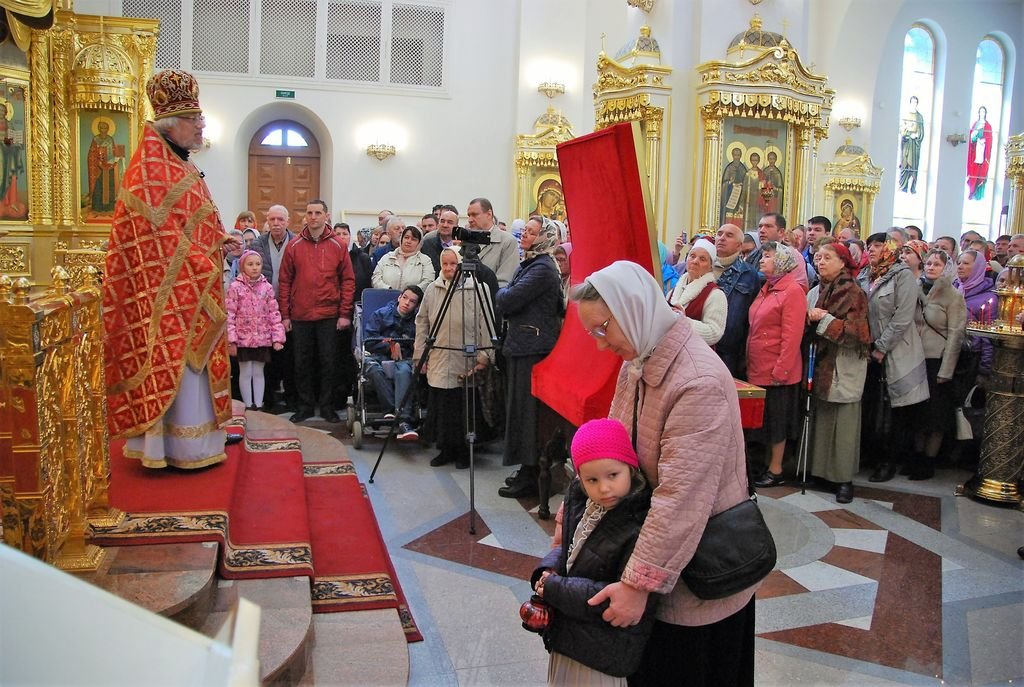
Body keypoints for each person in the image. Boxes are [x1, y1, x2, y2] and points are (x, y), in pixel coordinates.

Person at [570, 262, 756, 686]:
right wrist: (574, 520)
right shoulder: (640, 356)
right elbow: (611, 445)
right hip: (658, 553)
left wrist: (638, 585)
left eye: (603, 330)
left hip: (697, 573)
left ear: (632, 310)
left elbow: (682, 498)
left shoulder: (697, 380)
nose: (601, 346)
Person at [103, 69, 236, 469]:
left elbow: (195, 223)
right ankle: (173, 449)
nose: (201, 126)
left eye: (200, 118)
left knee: (195, 371)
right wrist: (206, 255)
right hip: (166, 295)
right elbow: (156, 246)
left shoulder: (181, 163)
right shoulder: (150, 171)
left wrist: (218, 242)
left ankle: (199, 445)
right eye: (195, 119)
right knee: (176, 366)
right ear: (172, 123)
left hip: (195, 288)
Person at [529, 418, 655, 684]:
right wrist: (548, 568)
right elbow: (570, 548)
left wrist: (554, 588)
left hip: (602, 649)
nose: (604, 488)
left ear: (630, 469)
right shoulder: (583, 503)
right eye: (592, 480)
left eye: (613, 475)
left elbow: (613, 599)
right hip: (571, 636)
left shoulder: (637, 522)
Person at [496, 217, 563, 498]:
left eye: (532, 233)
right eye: (525, 231)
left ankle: (531, 472)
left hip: (532, 349)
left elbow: (505, 300)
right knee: (519, 410)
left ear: (545, 237)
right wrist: (506, 293)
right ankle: (526, 469)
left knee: (527, 413)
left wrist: (503, 293)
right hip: (523, 345)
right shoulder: (532, 265)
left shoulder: (543, 269)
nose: (525, 235)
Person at [278, 199, 355, 423]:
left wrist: (344, 313)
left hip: (329, 315)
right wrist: (285, 315)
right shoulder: (293, 246)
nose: (313, 217)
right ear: (305, 216)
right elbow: (284, 281)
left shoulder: (338, 246)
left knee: (329, 363)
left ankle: (327, 406)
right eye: (309, 213)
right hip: (300, 315)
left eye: (318, 213)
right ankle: (305, 406)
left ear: (326, 216)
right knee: (301, 363)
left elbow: (348, 281)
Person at [415, 247, 493, 469]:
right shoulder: (433, 289)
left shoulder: (478, 289)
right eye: (445, 264)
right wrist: (420, 355)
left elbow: (486, 323)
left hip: (465, 358)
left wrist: (484, 356)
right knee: (442, 406)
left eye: (453, 264)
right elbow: (422, 323)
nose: (448, 269)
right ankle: (445, 449)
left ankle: (463, 452)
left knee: (463, 407)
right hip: (439, 357)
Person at [805, 240, 871, 503]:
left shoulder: (854, 292)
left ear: (843, 262)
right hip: (822, 361)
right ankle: (820, 471)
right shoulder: (818, 289)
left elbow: (859, 334)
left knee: (844, 423)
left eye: (827, 258)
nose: (820, 262)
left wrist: (824, 320)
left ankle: (843, 479)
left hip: (844, 363)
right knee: (822, 418)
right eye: (818, 257)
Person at [862, 234, 929, 482]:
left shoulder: (903, 277)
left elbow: (902, 318)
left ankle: (888, 460)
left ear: (890, 248)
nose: (872, 250)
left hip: (897, 350)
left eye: (878, 245)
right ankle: (871, 454)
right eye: (869, 246)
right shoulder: (867, 274)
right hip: (869, 351)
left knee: (894, 409)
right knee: (873, 406)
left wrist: (881, 346)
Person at [748, 243, 807, 488]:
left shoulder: (792, 291)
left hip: (777, 370)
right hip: (758, 366)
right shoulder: (766, 288)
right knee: (764, 420)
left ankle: (776, 468)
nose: (762, 260)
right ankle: (764, 464)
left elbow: (792, 335)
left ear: (782, 261)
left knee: (777, 420)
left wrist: (781, 370)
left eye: (768, 256)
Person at [914, 249, 967, 480]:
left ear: (946, 267)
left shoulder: (953, 296)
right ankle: (914, 456)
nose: (931, 267)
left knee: (935, 416)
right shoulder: (916, 289)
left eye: (937, 264)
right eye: (928, 263)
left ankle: (928, 460)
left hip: (937, 362)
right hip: (915, 359)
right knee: (916, 412)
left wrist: (947, 369)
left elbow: (956, 334)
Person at [226, 250, 286, 411]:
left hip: (261, 338)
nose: (254, 268)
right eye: (250, 264)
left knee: (259, 371)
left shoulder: (266, 287)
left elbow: (274, 313)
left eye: (257, 264)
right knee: (245, 372)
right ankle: (247, 404)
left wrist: (277, 338)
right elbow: (229, 314)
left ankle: (259, 404)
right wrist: (231, 339)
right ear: (242, 266)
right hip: (243, 339)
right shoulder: (235, 287)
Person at [252, 204, 296, 411]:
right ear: (267, 221)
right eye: (272, 220)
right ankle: (268, 400)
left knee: (289, 357)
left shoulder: (297, 243)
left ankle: (291, 398)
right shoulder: (257, 244)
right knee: (266, 357)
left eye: (280, 219)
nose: (276, 223)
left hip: (291, 308)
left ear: (288, 221)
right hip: (262, 312)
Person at [364, 286, 423, 440]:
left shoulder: (419, 322)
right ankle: (391, 410)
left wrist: (402, 346)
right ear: (399, 298)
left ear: (416, 306)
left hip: (404, 359)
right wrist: (390, 345)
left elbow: (419, 343)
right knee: (372, 367)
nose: (406, 303)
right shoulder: (381, 314)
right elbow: (369, 342)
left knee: (404, 370)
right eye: (404, 298)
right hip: (379, 356)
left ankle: (402, 420)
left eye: (412, 301)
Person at [712, 224, 759, 378]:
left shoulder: (749, 275)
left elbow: (751, 319)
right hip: (698, 346)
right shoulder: (702, 266)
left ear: (739, 245)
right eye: (719, 234)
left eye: (729, 235)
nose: (722, 238)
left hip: (729, 353)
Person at [667, 238, 727, 346]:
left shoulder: (715, 294)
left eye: (702, 259)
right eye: (692, 256)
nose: (695, 261)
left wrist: (683, 322)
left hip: (696, 356)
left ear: (710, 267)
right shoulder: (674, 290)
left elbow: (715, 332)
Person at [953, 250, 996, 378]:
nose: (960, 266)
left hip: (970, 355)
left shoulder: (988, 297)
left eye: (966, 263)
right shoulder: (952, 288)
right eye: (959, 263)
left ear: (978, 267)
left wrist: (984, 368)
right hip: (947, 350)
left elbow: (989, 337)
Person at [467, 197, 521, 287]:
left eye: (474, 215)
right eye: (469, 215)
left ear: (488, 214)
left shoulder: (507, 241)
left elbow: (504, 282)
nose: (470, 220)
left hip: (491, 298)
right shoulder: (468, 240)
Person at [371, 225, 434, 292]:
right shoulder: (387, 257)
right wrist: (388, 290)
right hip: (386, 298)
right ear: (401, 239)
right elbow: (375, 278)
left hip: (414, 300)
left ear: (419, 243)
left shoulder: (425, 261)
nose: (409, 241)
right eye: (406, 237)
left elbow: (428, 281)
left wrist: (411, 293)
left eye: (413, 239)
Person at [87, 118, 123, 213]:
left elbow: (115, 151)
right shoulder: (96, 139)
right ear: (99, 129)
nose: (104, 130)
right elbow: (91, 154)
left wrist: (118, 156)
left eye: (106, 128)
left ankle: (109, 207)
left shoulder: (110, 139)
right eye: (102, 128)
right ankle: (98, 207)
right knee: (99, 187)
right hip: (99, 169)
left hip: (109, 167)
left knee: (109, 186)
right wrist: (98, 162)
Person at [899, 95, 925, 194]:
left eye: (915, 102)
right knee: (905, 165)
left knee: (914, 167)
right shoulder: (905, 115)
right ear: (910, 102)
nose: (914, 103)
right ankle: (903, 187)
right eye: (912, 102)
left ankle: (912, 188)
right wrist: (907, 133)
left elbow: (921, 132)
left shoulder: (919, 117)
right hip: (907, 145)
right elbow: (902, 129)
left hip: (915, 146)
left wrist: (917, 136)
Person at [967, 106, 994, 200]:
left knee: (981, 172)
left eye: (983, 112)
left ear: (985, 113)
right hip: (975, 152)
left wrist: (984, 141)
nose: (982, 113)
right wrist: (975, 137)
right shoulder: (975, 124)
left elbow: (989, 140)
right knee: (973, 171)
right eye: (980, 112)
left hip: (983, 152)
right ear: (978, 113)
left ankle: (978, 194)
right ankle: (971, 191)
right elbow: (971, 138)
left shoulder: (988, 126)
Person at [422, 208, 459, 276]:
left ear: (456, 227)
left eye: (450, 222)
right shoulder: (427, 242)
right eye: (442, 221)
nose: (445, 225)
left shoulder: (462, 245)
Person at [719, 146, 747, 227]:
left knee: (738, 214)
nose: (737, 157)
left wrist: (741, 184)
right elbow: (724, 183)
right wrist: (730, 182)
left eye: (738, 155)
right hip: (730, 196)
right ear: (732, 155)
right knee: (729, 214)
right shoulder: (729, 168)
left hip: (740, 195)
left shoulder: (743, 168)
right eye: (735, 155)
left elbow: (746, 182)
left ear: (740, 156)